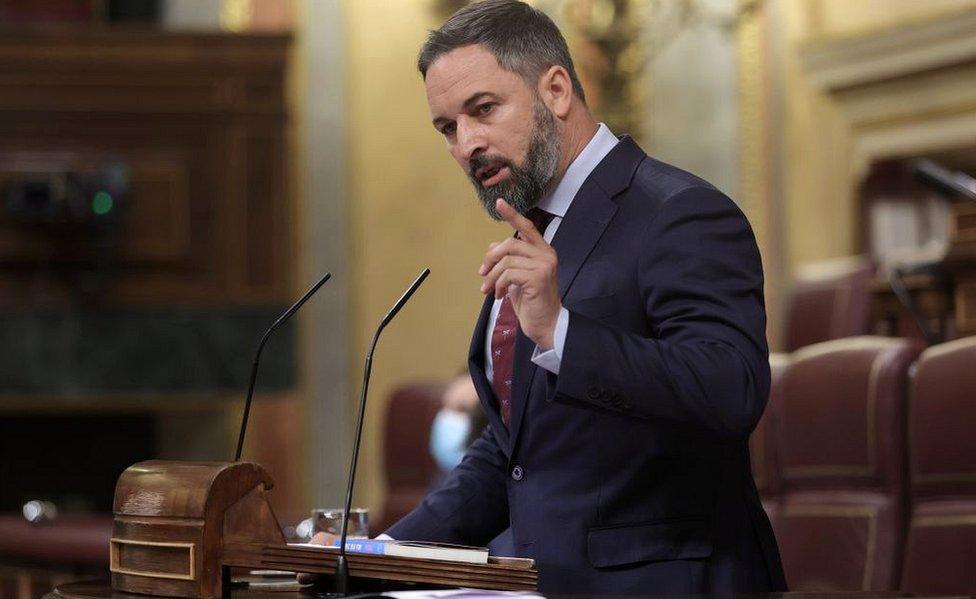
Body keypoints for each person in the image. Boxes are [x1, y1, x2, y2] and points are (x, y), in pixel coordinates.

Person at [325, 0, 786, 593]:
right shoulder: (536, 231)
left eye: (483, 109)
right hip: (537, 581)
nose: (466, 144)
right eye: (447, 128)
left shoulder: (680, 212)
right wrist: (377, 554)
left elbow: (732, 389)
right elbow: (514, 452)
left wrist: (561, 333)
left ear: (558, 90)